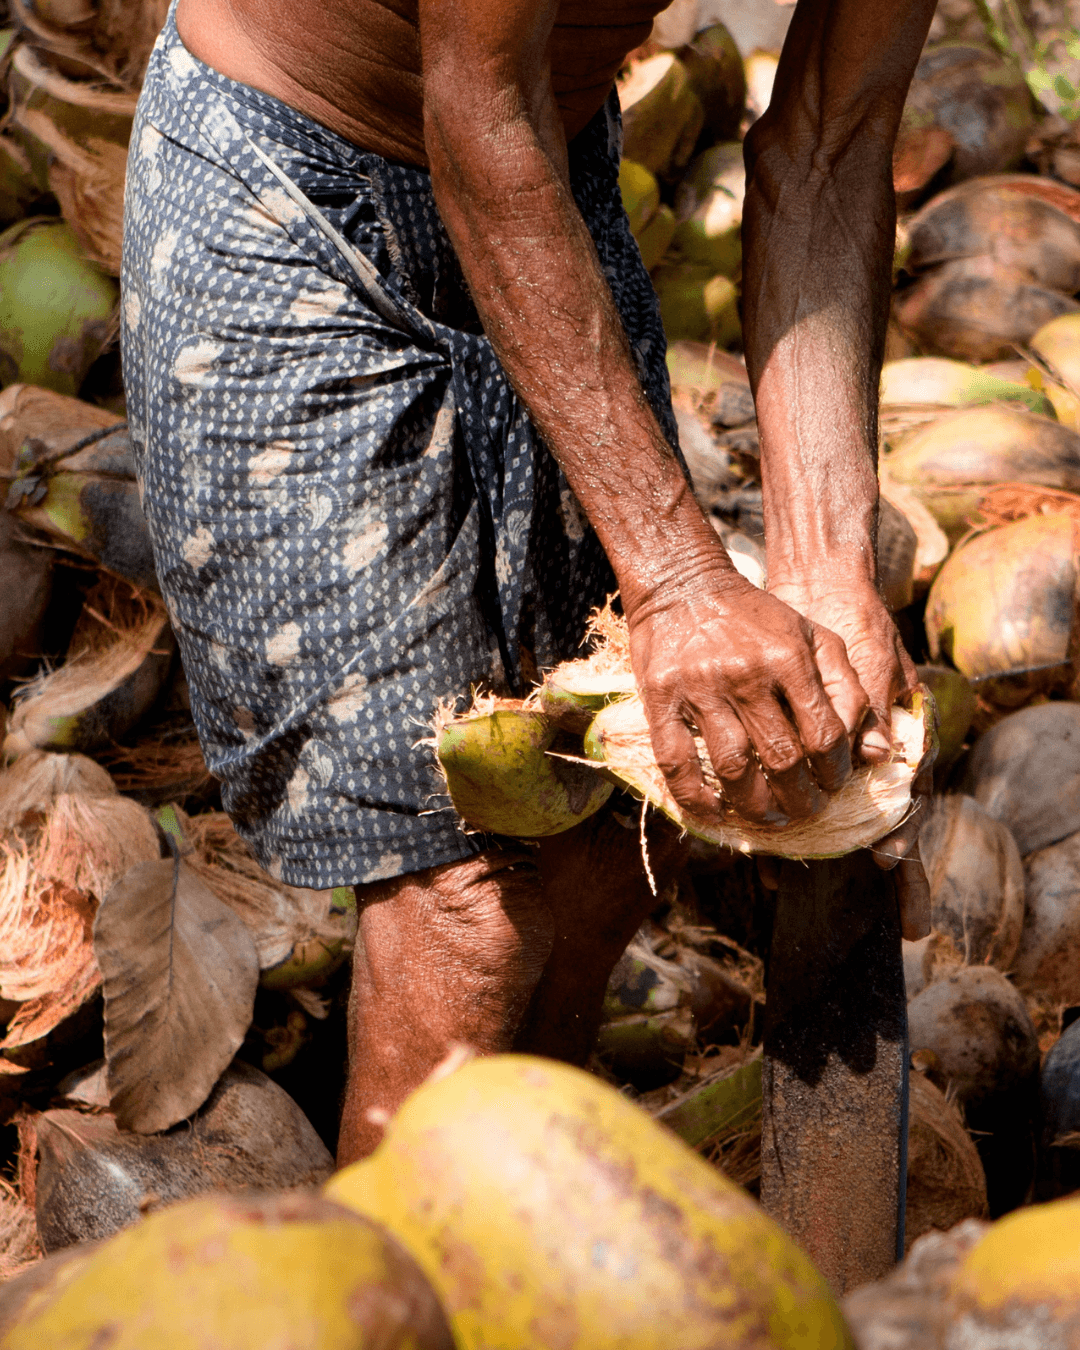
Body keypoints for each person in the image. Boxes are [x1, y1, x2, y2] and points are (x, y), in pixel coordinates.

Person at [122, 0, 935, 1164]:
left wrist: (829, 557)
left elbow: (833, 134)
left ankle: (515, 1255)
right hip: (286, 183)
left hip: (541, 171)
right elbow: (478, 116)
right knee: (466, 916)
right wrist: (675, 581)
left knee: (608, 846)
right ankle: (392, 1307)